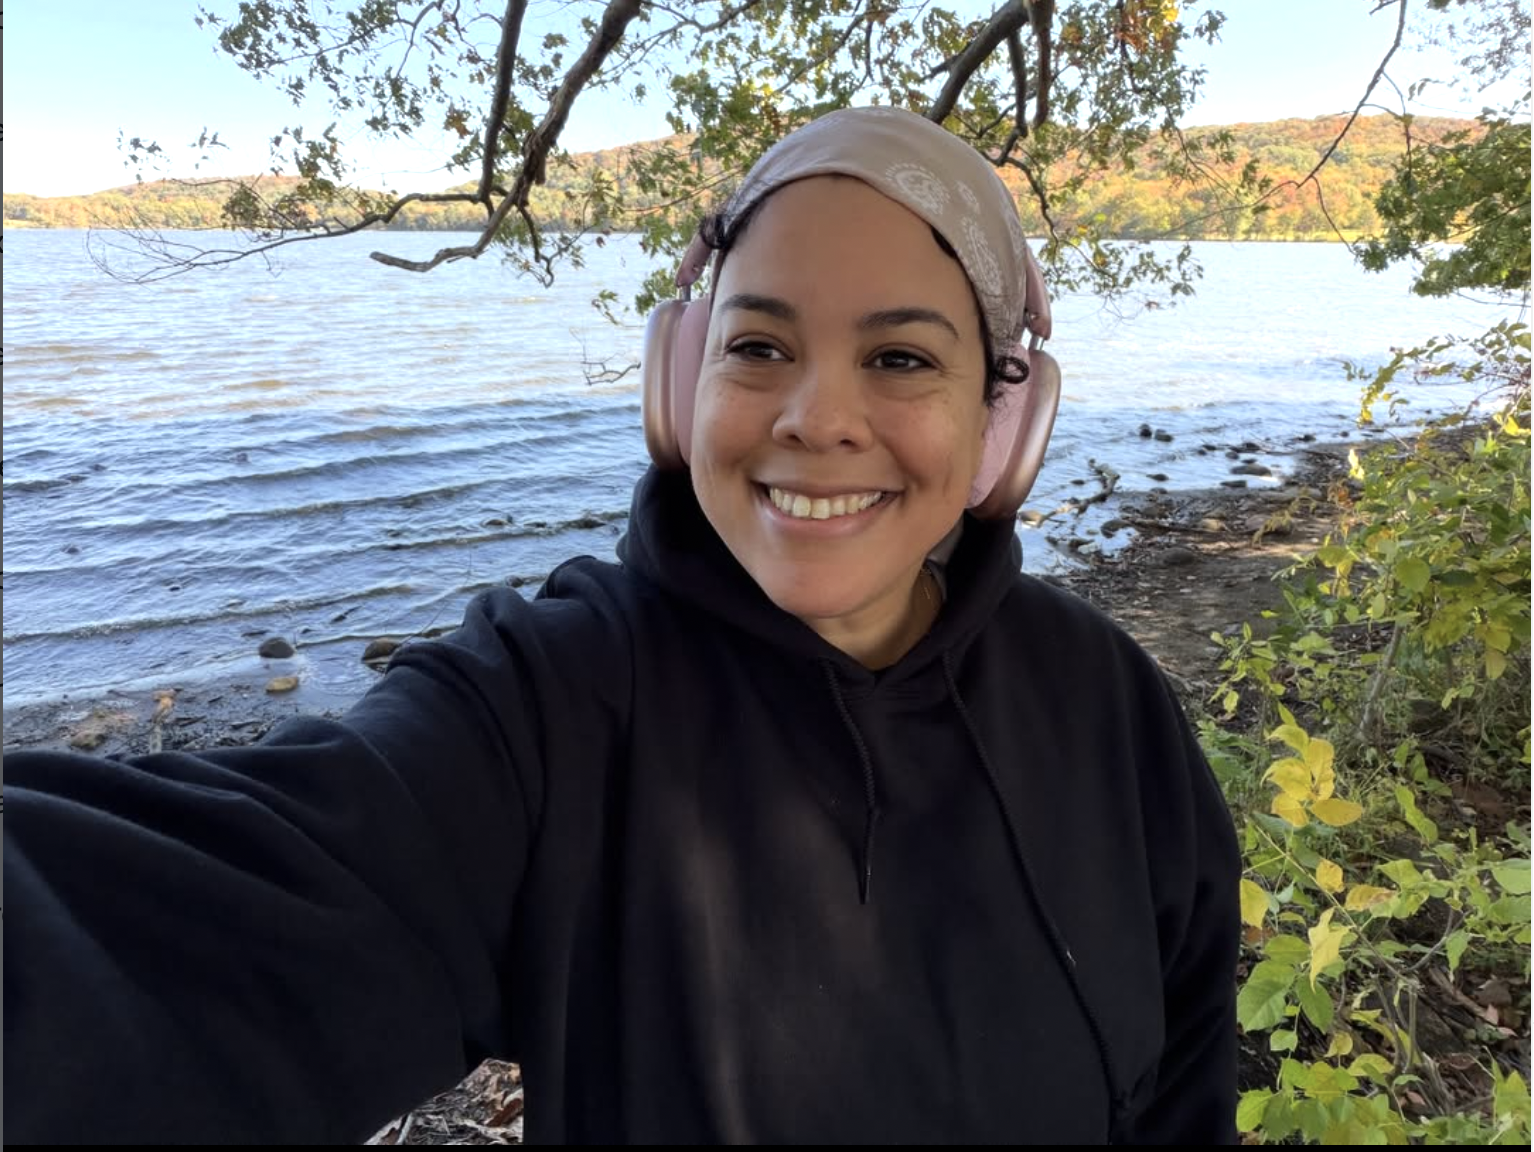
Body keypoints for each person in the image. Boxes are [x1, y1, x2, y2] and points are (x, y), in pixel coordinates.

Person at [5, 106, 1240, 1144]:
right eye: (759, 344)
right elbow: (192, 927)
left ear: (1002, 420)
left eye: (903, 360)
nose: (816, 418)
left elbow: (1185, 1081)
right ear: (679, 385)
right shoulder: (548, 707)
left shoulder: (1105, 703)